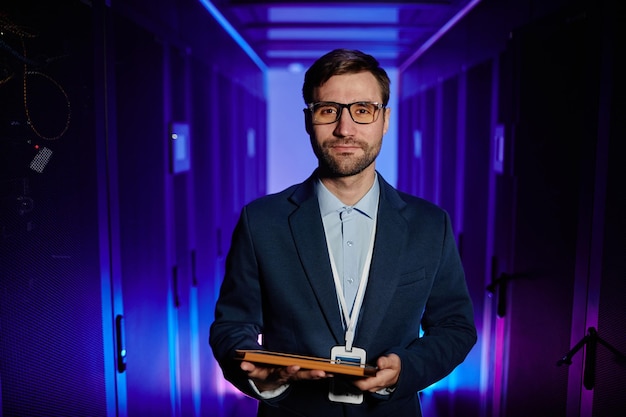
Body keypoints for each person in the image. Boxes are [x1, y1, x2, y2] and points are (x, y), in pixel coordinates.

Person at [209, 48, 477, 417]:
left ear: (385, 120)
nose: (344, 129)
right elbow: (232, 326)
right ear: (308, 120)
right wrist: (262, 379)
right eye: (328, 110)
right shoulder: (262, 221)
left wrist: (406, 369)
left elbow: (455, 326)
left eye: (362, 110)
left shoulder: (431, 225)